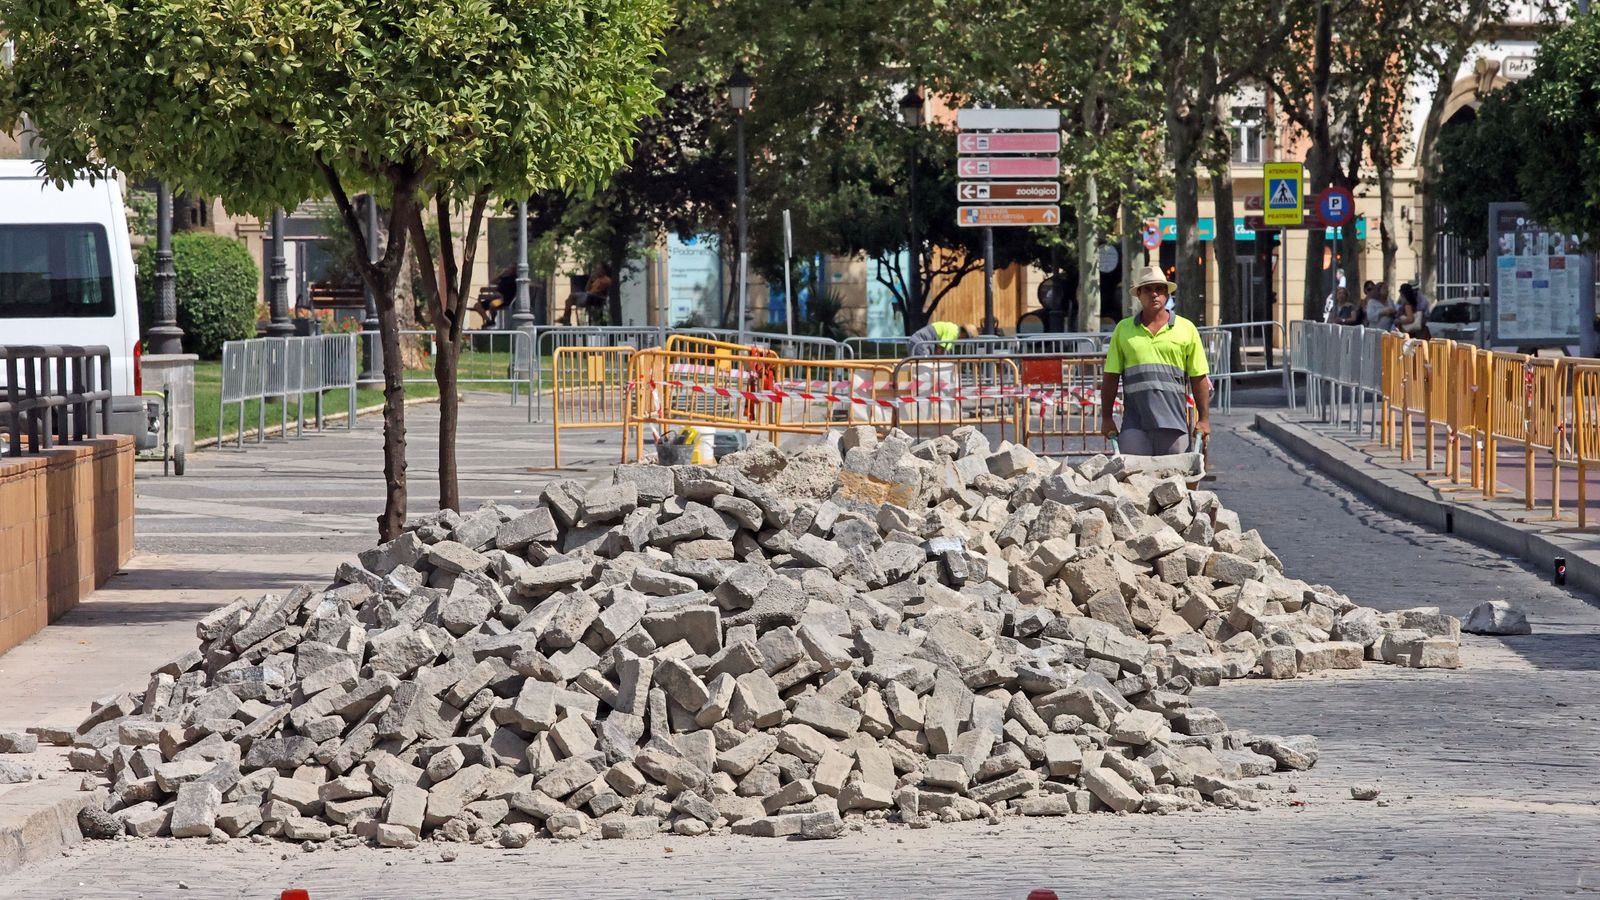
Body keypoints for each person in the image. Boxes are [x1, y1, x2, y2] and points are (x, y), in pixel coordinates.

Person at [1100, 265, 1212, 456]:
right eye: (1148, 289)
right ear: (1139, 295)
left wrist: (1204, 419)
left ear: (1167, 295)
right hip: (1135, 426)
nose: (1154, 294)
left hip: (1174, 426)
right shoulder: (1123, 330)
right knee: (1132, 481)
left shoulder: (1186, 329)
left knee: (1177, 480)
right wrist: (1106, 418)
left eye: (1159, 289)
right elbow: (1111, 377)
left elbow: (1198, 377)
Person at [907, 321, 974, 355]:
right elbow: (940, 349)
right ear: (964, 333)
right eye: (966, 338)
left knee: (923, 366)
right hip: (919, 342)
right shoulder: (953, 332)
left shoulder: (953, 328)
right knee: (924, 365)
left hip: (917, 341)